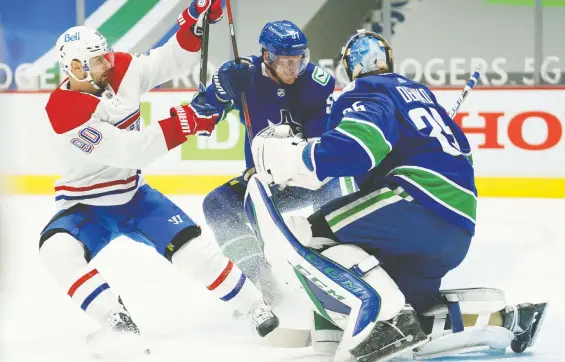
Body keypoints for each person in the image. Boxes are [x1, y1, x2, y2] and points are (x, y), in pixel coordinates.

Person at [248, 30, 547, 361]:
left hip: (414, 205)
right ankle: (507, 319)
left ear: (351, 67)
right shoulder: (421, 95)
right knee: (412, 313)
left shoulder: (369, 90)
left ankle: (368, 324)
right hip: (457, 229)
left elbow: (358, 147)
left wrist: (298, 157)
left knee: (307, 235)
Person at [39, 1, 278, 358]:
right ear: (75, 68)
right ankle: (116, 321)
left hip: (134, 195)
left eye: (105, 54)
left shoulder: (118, 69)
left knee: (194, 250)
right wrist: (191, 118)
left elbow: (170, 59)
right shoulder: (63, 110)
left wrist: (195, 22)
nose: (109, 61)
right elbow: (129, 151)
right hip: (84, 204)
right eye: (98, 60)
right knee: (55, 251)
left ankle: (255, 305)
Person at [201, 20, 351, 302]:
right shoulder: (243, 76)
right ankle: (262, 284)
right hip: (265, 180)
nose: (294, 69)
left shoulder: (316, 83)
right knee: (218, 204)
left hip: (310, 176)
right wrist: (221, 90)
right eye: (286, 63)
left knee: (339, 201)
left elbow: (322, 147)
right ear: (267, 57)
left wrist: (299, 165)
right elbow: (204, 115)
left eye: (299, 61)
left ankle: (350, 278)